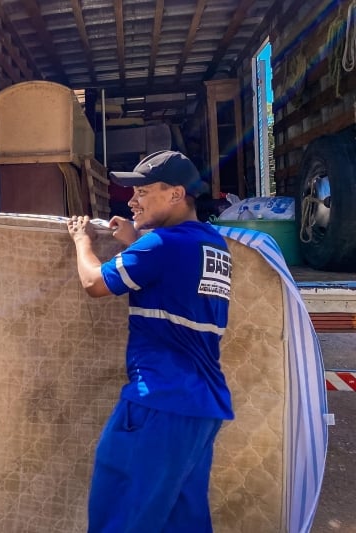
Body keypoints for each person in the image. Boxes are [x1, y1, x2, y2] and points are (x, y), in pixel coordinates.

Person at [67, 150, 234, 532]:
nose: (131, 200)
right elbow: (172, 286)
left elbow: (94, 283)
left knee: (121, 516)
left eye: (142, 191)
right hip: (201, 410)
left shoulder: (161, 247)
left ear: (176, 194)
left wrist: (82, 241)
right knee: (181, 520)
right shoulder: (212, 245)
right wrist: (135, 240)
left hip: (157, 403)